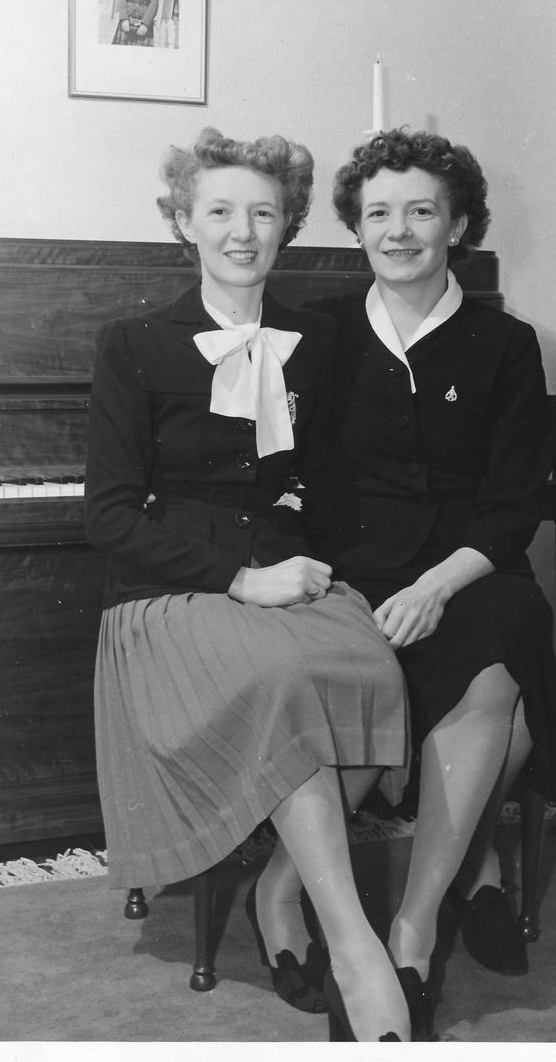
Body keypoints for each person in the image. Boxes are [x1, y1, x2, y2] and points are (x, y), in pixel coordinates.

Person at [85, 127, 412, 1042]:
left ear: (287, 227)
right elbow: (108, 514)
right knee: (287, 680)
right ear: (183, 222)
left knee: (376, 672)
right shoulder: (133, 343)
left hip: (280, 573)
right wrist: (239, 577)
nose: (242, 231)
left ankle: (280, 889)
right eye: (220, 211)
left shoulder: (318, 340)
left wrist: (302, 537)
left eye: (263, 213)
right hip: (172, 594)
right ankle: (356, 949)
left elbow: (332, 476)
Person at [307, 128, 556, 1039]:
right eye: (379, 213)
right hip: (354, 566)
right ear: (356, 227)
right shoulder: (323, 333)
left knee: (493, 668)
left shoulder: (506, 343)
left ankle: (412, 929)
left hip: (472, 564)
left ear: (458, 225)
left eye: (422, 211)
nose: (399, 231)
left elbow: (514, 502)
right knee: (484, 716)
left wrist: (438, 586)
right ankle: (473, 865)